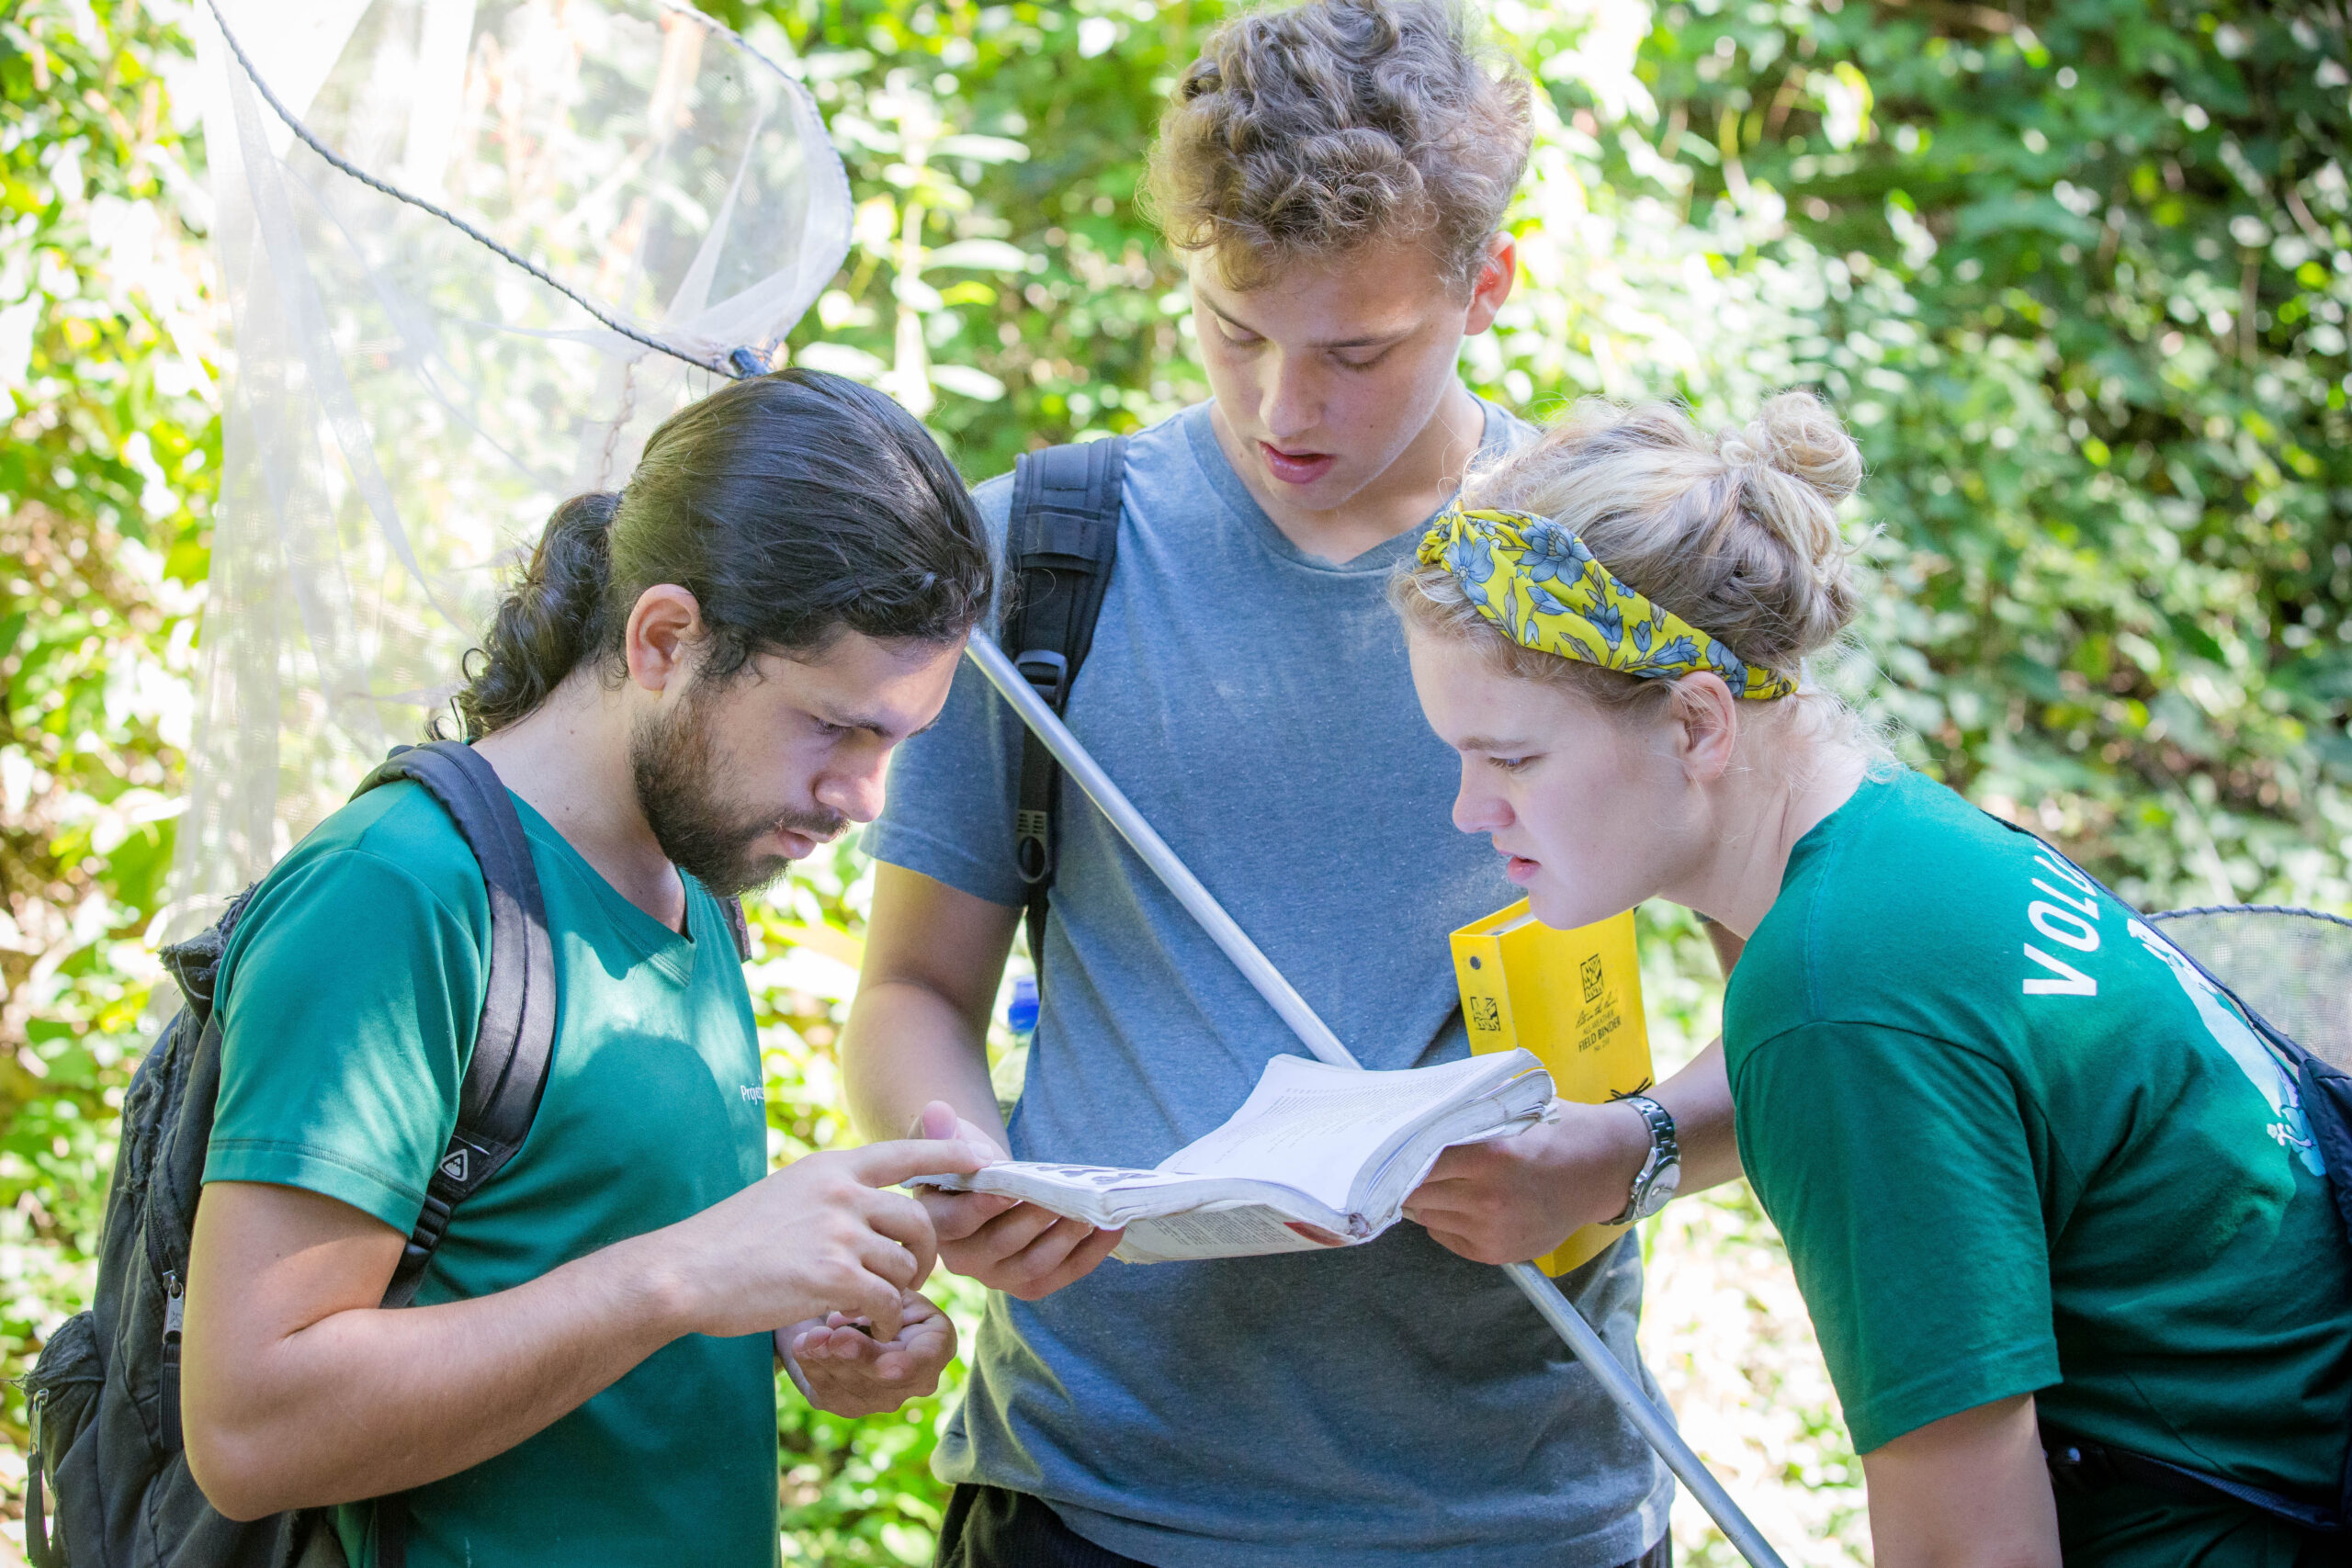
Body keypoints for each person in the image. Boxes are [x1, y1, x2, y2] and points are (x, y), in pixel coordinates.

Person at [834, 5, 1737, 1564]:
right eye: (1232, 330)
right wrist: (965, 1161)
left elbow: (1806, 1000)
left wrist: (1629, 1152)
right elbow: (912, 982)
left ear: (1488, 286)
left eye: (1356, 350)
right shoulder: (1045, 555)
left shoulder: (1617, 575)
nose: (1281, 409)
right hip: (1093, 1492)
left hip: (1521, 1505)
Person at [1394, 390, 2352, 1567]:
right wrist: (1628, 1152)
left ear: (1696, 724)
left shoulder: (1834, 997)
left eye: (1513, 757)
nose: (1468, 810)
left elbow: (1973, 1552)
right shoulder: (1900, 843)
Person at [180, 368, 995, 1566]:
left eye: (896, 744)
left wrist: (789, 1317)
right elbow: (251, 1428)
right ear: (666, 638)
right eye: (836, 725)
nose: (863, 799)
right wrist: (683, 1274)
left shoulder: (696, 879)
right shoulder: (398, 892)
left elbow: (567, 1267)